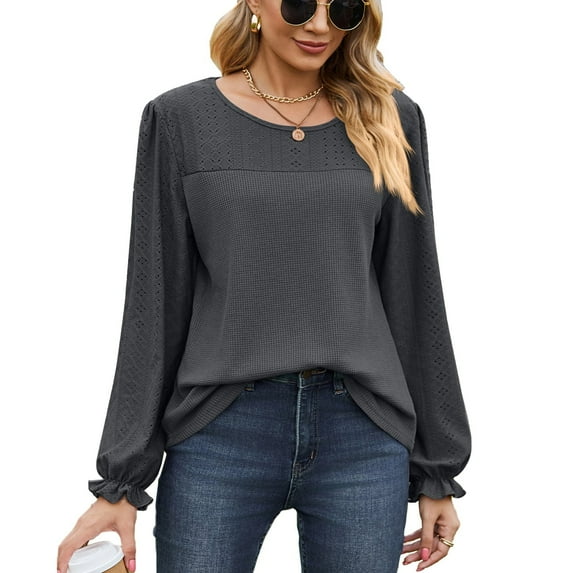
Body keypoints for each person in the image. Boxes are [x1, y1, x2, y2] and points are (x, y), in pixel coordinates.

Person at [57, 1, 471, 572]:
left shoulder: (390, 117)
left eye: (344, 8)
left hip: (362, 433)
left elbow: (414, 292)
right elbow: (155, 300)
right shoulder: (181, 119)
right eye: (300, 4)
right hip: (219, 430)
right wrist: (121, 483)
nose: (321, 25)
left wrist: (435, 472)